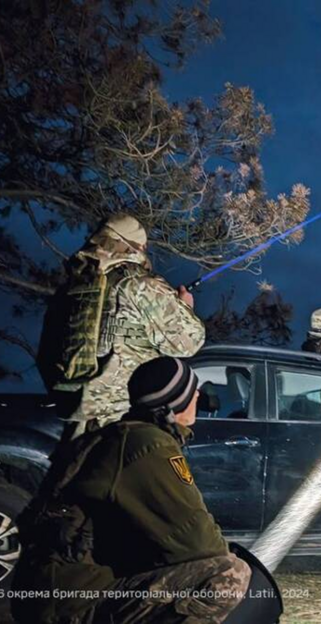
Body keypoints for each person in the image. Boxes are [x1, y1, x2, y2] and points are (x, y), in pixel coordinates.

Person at [12, 356, 251, 624]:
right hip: (70, 603)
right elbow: (197, 543)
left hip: (50, 591)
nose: (198, 394)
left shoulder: (117, 436)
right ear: (176, 401)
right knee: (227, 573)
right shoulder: (147, 444)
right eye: (192, 389)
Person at [37, 214, 205, 439]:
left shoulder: (68, 290)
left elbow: (45, 356)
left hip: (76, 418)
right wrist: (185, 307)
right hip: (124, 423)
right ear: (134, 247)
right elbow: (189, 342)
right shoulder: (138, 284)